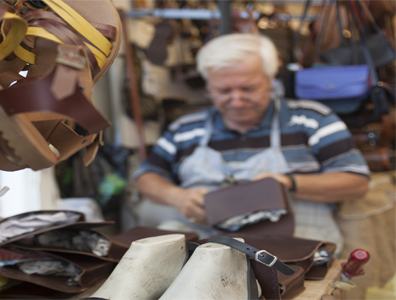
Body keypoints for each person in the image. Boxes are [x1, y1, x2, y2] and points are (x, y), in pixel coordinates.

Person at [132, 33, 370, 255]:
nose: (237, 101)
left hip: (293, 235)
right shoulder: (185, 129)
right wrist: (177, 196)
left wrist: (289, 183)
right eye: (223, 90)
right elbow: (146, 178)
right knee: (153, 255)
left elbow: (356, 182)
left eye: (248, 88)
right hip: (206, 233)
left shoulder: (311, 119)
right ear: (208, 86)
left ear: (270, 79)